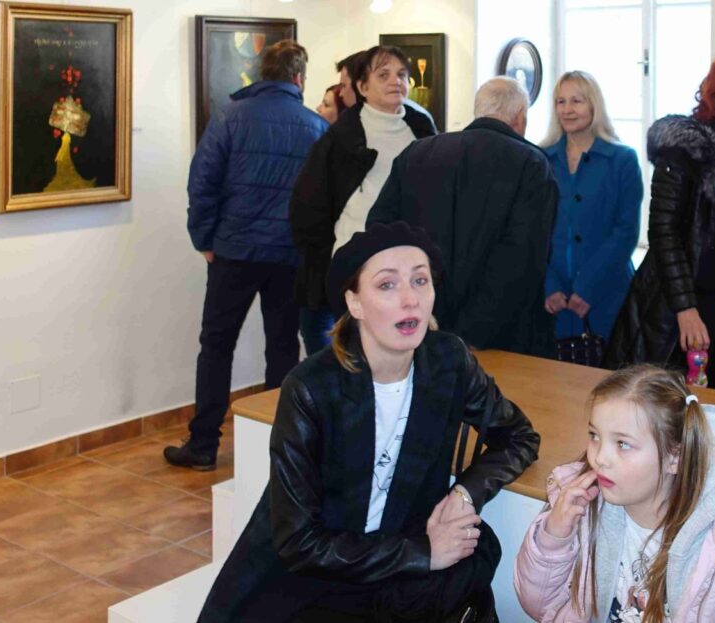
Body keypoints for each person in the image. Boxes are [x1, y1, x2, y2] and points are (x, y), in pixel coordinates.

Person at [198, 222, 541, 622]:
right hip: (318, 573)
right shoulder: (311, 388)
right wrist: (424, 552)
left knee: (474, 564)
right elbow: (299, 543)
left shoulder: (449, 361)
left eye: (420, 280)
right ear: (355, 303)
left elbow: (518, 436)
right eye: (387, 285)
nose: (410, 299)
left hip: (400, 563)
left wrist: (463, 495)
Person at [513, 364, 715, 622]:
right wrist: (554, 537)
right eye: (594, 436)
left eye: (622, 444)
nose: (600, 458)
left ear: (675, 457)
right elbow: (539, 607)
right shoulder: (581, 509)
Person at [167, 40, 328, 470]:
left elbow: (202, 182)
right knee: (282, 349)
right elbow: (325, 200)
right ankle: (279, 448)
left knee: (216, 346)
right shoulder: (316, 127)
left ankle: (203, 444)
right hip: (289, 256)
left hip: (233, 251)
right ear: (299, 78)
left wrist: (204, 239)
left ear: (262, 73)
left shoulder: (230, 117)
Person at [605, 47, 715, 394]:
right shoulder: (688, 146)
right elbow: (664, 231)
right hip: (690, 299)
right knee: (674, 405)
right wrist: (685, 307)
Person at [367, 77, 558, 357]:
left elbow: (380, 231)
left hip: (421, 325)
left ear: (478, 111)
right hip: (499, 339)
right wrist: (472, 333)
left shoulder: (416, 153)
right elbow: (522, 259)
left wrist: (414, 305)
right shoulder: (532, 164)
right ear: (520, 117)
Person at [290, 45, 436, 356]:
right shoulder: (341, 137)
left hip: (407, 264)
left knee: (402, 353)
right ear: (363, 87)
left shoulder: (423, 130)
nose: (395, 81)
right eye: (383, 75)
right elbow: (308, 206)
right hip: (353, 263)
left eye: (401, 74)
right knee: (355, 353)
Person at [542, 71, 642, 345]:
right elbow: (530, 230)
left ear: (594, 105)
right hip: (554, 301)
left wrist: (588, 287)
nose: (567, 109)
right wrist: (549, 285)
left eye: (577, 101)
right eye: (561, 102)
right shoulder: (541, 159)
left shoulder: (623, 160)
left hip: (607, 295)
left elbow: (626, 232)